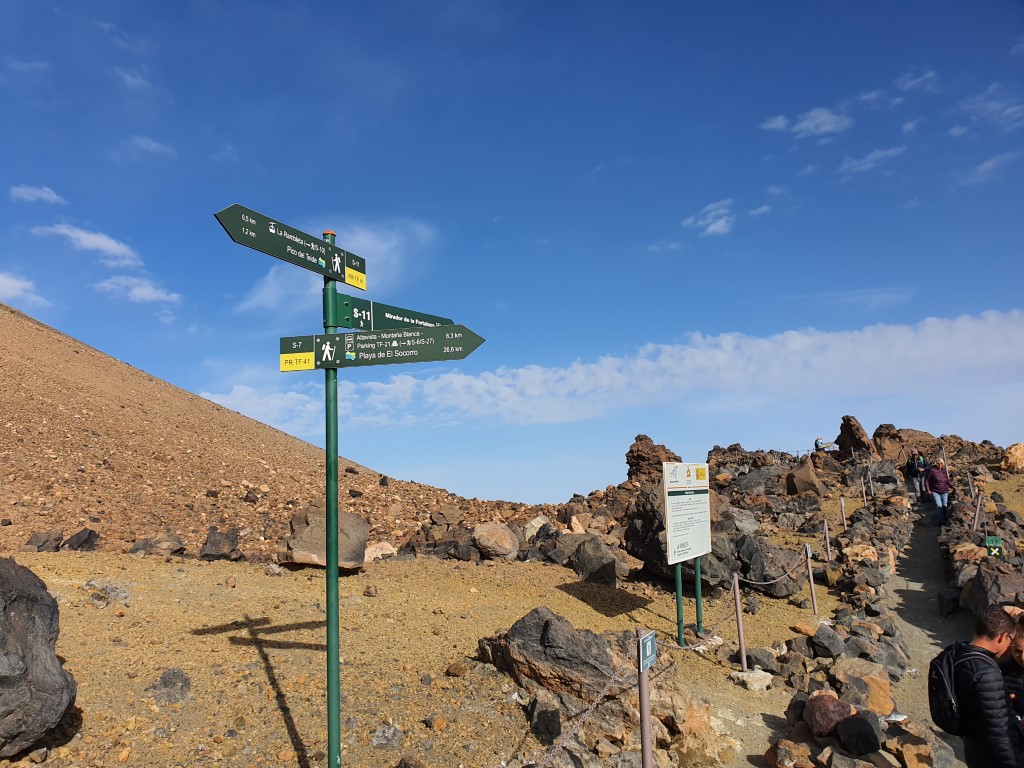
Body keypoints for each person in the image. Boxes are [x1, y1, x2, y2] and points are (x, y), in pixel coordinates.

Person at [952, 606, 1022, 767]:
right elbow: (999, 732)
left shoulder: (958, 655)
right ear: (1003, 638)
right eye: (1017, 650)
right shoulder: (994, 672)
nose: (1022, 657)